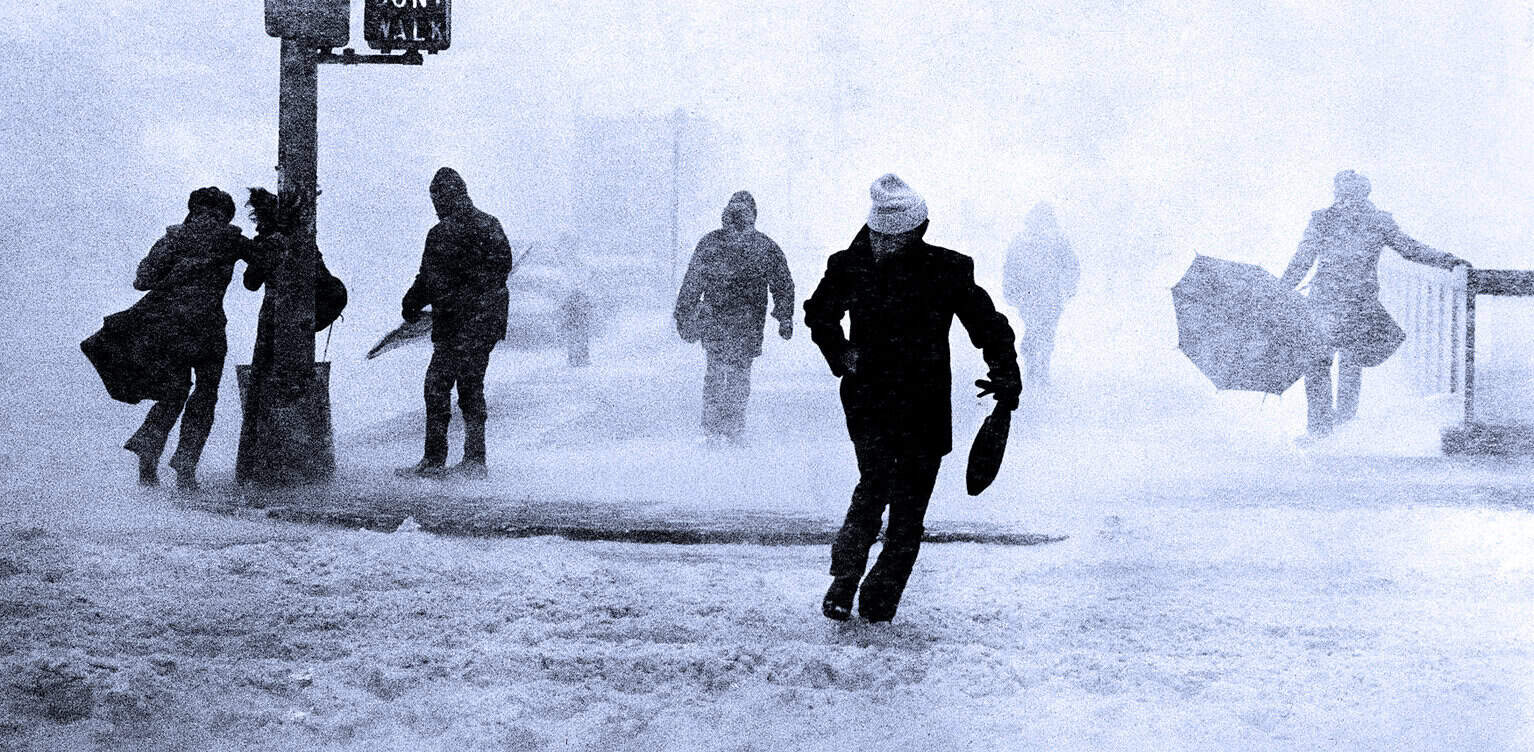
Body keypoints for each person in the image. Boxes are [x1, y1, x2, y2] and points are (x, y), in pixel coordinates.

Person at [804, 174, 1021, 623]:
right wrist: (841, 353)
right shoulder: (861, 266)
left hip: (904, 403)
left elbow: (989, 326)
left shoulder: (931, 268)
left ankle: (864, 591)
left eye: (891, 237)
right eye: (880, 236)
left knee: (891, 498)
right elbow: (818, 313)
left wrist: (1005, 372)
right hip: (889, 401)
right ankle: (857, 587)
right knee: (888, 494)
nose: (884, 245)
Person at [1280, 169, 1465, 440]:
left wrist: (1281, 289)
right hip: (1357, 303)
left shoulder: (1324, 220)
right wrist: (1449, 261)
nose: (1344, 199)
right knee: (1348, 360)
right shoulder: (1376, 221)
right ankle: (1341, 421)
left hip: (1327, 301)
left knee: (1319, 362)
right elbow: (1410, 249)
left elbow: (1302, 259)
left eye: (1344, 193)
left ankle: (1321, 428)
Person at [122, 187, 254, 490]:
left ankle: (148, 449)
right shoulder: (232, 239)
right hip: (209, 329)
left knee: (173, 392)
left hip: (172, 328)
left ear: (193, 211)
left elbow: (142, 280)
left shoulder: (173, 239)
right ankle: (185, 464)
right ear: (226, 215)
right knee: (205, 395)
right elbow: (265, 262)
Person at [397, 168, 514, 479]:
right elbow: (503, 267)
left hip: (457, 323)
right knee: (471, 385)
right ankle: (475, 460)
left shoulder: (441, 234)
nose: (435, 207)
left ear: (445, 198)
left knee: (436, 386)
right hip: (487, 322)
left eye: (436, 200)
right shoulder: (490, 224)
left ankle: (435, 459)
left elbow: (428, 280)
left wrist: (410, 305)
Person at [673, 191, 795, 445]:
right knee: (737, 374)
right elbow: (783, 284)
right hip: (747, 322)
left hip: (718, 320)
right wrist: (784, 317)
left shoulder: (712, 243)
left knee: (717, 372)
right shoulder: (764, 246)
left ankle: (714, 430)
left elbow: (693, 282)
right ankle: (732, 429)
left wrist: (684, 314)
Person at [1002, 202, 1079, 388]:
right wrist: (1068, 287)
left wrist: (1069, 286)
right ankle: (1038, 368)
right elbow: (1010, 269)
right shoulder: (1053, 240)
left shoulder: (1051, 241)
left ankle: (1038, 368)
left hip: (1041, 296)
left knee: (1039, 330)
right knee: (1040, 331)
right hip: (1040, 296)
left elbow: (1071, 266)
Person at [560, 286, 593, 368]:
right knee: (580, 342)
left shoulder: (570, 302)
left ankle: (575, 359)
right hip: (578, 325)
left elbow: (565, 312)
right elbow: (587, 311)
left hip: (575, 325)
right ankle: (580, 359)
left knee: (575, 342)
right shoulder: (582, 301)